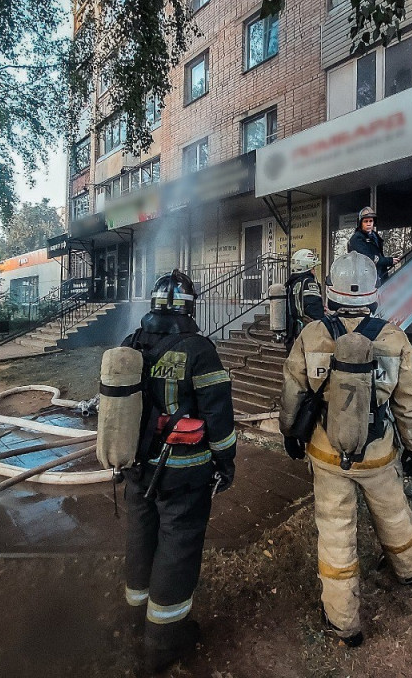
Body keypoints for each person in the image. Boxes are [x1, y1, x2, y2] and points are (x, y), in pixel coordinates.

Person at [278, 251, 412, 647]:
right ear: (374, 295)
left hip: (327, 456)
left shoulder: (312, 336)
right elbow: (410, 402)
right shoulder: (394, 338)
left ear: (330, 293)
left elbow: (292, 392)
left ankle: (342, 619)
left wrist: (291, 434)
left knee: (335, 533)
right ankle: (410, 568)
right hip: (378, 454)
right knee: (394, 511)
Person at [120, 269, 237, 672]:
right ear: (191, 307)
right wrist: (226, 462)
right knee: (177, 548)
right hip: (183, 474)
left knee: (140, 537)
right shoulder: (199, 350)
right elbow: (218, 418)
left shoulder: (131, 344)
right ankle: (164, 642)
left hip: (136, 467)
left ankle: (134, 617)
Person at [284, 248, 325, 350]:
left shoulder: (292, 283)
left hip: (293, 333)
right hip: (307, 334)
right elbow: (314, 310)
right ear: (307, 268)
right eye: (313, 268)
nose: (314, 271)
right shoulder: (308, 282)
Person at [347, 206, 399, 284]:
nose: (368, 224)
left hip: (378, 277)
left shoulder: (375, 236)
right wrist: (389, 261)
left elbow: (378, 256)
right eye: (366, 221)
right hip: (364, 280)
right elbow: (367, 258)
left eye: (370, 221)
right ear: (360, 223)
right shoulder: (356, 239)